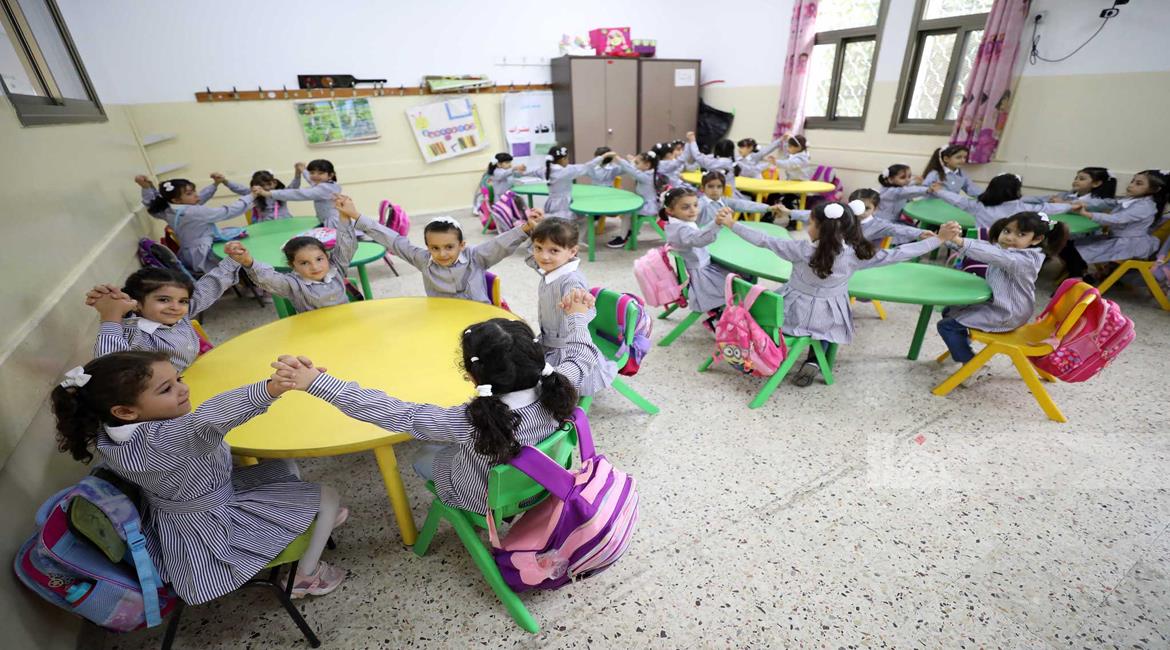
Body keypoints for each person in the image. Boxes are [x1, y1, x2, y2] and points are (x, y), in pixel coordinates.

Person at [50, 351, 347, 603]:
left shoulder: (109, 430)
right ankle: (306, 576)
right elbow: (209, 419)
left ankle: (307, 521)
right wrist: (271, 388)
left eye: (179, 379)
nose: (183, 389)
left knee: (284, 466)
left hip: (187, 505)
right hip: (213, 525)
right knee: (328, 495)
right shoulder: (164, 439)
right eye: (166, 389)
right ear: (125, 411)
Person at [271, 289, 598, 515]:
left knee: (423, 455)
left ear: (472, 377)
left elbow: (394, 413)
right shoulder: (561, 383)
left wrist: (318, 383)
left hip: (483, 499)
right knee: (448, 446)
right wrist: (578, 316)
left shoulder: (467, 421)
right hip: (545, 482)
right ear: (537, 356)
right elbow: (582, 353)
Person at [718, 200, 961, 386]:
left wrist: (732, 224)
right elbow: (900, 253)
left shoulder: (800, 249)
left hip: (788, 316)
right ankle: (815, 360)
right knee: (827, 323)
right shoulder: (858, 254)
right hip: (827, 317)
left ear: (819, 228)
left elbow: (763, 239)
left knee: (783, 308)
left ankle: (772, 349)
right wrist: (938, 239)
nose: (807, 226)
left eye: (810, 223)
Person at [936, 211, 1070, 385]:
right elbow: (985, 247)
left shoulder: (1024, 259)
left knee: (947, 326)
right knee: (950, 311)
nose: (1010, 237)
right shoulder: (1011, 250)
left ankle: (971, 364)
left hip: (1008, 314)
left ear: (1036, 239)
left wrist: (958, 240)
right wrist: (943, 239)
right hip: (1000, 306)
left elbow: (991, 254)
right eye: (1007, 231)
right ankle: (960, 347)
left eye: (1021, 234)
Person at [344, 196, 540, 303]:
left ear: (462, 245)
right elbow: (394, 241)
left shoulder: (475, 257)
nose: (442, 254)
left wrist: (526, 227)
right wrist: (356, 216)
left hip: (479, 319)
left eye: (449, 247)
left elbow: (500, 244)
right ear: (427, 247)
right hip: (443, 318)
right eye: (435, 248)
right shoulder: (423, 259)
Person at [87, 255, 240, 372]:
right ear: (137, 303)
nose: (175, 307)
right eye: (163, 299)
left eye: (183, 301)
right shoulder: (134, 334)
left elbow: (207, 288)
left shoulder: (179, 315)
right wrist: (112, 315)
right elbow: (109, 365)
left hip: (197, 371)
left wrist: (234, 261)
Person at [527, 218, 617, 396]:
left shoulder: (571, 280)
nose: (544, 256)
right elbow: (533, 259)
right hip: (549, 342)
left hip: (566, 351)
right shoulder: (552, 268)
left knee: (549, 390)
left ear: (572, 251)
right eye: (538, 248)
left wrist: (580, 300)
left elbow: (583, 307)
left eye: (553, 250)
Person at [225, 197, 358, 313]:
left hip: (348, 324)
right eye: (304, 263)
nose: (315, 266)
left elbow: (346, 245)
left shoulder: (336, 268)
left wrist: (344, 216)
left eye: (319, 259)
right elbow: (268, 279)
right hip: (318, 330)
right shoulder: (293, 284)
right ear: (292, 265)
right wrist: (247, 261)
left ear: (327, 257)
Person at [1059, 169, 1168, 283]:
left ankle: (1076, 278)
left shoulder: (1145, 206)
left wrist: (1087, 214)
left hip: (1128, 244)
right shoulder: (1131, 200)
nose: (1131, 185)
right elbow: (1106, 203)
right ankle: (1079, 274)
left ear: (1154, 189)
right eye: (1132, 181)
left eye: (1138, 183)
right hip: (1116, 239)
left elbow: (1116, 219)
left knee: (1074, 249)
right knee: (1068, 245)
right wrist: (1073, 203)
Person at [138, 175, 254, 274]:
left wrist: (146, 188)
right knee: (243, 258)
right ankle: (249, 283)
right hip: (204, 256)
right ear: (176, 200)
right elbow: (227, 212)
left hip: (188, 255)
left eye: (194, 191)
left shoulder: (169, 211)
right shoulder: (194, 212)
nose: (196, 195)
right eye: (189, 193)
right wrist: (251, 197)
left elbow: (151, 203)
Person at [662, 187, 738, 331]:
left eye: (695, 205)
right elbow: (698, 239)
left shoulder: (676, 224)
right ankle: (716, 317)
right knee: (737, 283)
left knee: (733, 271)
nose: (693, 210)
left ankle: (718, 311)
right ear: (670, 211)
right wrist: (716, 223)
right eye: (686, 207)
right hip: (700, 278)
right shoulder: (681, 229)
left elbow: (698, 236)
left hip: (698, 269)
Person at [931, 173, 1076, 231]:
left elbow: (957, 200)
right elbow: (1047, 208)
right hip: (1007, 249)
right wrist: (1070, 206)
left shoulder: (978, 206)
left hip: (978, 247)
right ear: (1016, 191)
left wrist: (938, 191)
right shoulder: (1022, 208)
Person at [256, 159, 342, 228]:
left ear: (330, 175)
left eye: (320, 173)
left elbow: (298, 193)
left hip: (333, 223)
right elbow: (312, 180)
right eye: (312, 172)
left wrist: (269, 193)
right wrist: (302, 170)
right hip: (328, 220)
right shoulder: (329, 184)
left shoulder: (324, 189)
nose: (315, 176)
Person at [609, 150, 663, 248]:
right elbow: (634, 170)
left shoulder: (646, 177)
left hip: (647, 207)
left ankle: (623, 238)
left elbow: (631, 170)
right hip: (647, 203)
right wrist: (633, 161)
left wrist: (618, 158)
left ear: (647, 165)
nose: (636, 165)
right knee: (628, 211)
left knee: (627, 213)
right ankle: (628, 231)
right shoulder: (650, 173)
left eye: (637, 163)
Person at [695, 171, 786, 227]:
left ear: (723, 189)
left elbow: (745, 205)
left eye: (719, 187)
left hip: (723, 238)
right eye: (710, 186)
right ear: (702, 188)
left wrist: (768, 208)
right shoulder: (700, 203)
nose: (715, 190)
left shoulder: (725, 201)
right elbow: (693, 211)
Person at [850, 188, 929, 245]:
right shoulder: (846, 218)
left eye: (867, 208)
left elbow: (897, 229)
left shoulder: (879, 225)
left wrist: (919, 233)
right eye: (857, 207)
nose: (861, 211)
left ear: (875, 209)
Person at [225, 170, 291, 222]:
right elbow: (239, 188)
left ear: (274, 183)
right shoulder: (255, 194)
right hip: (265, 226)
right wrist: (225, 181)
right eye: (262, 185)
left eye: (269, 184)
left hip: (284, 223)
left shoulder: (280, 193)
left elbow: (293, 189)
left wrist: (296, 176)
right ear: (255, 186)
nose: (266, 188)